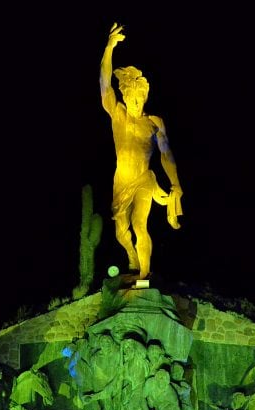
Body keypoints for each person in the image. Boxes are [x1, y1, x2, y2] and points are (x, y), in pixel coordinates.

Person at [100, 23, 183, 280]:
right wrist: (109, 48)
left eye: (140, 97)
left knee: (139, 224)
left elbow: (166, 155)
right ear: (125, 95)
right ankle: (133, 259)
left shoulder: (154, 122)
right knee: (120, 232)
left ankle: (145, 274)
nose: (135, 101)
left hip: (145, 179)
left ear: (145, 96)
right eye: (131, 96)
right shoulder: (119, 115)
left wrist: (175, 184)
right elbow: (105, 84)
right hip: (121, 181)